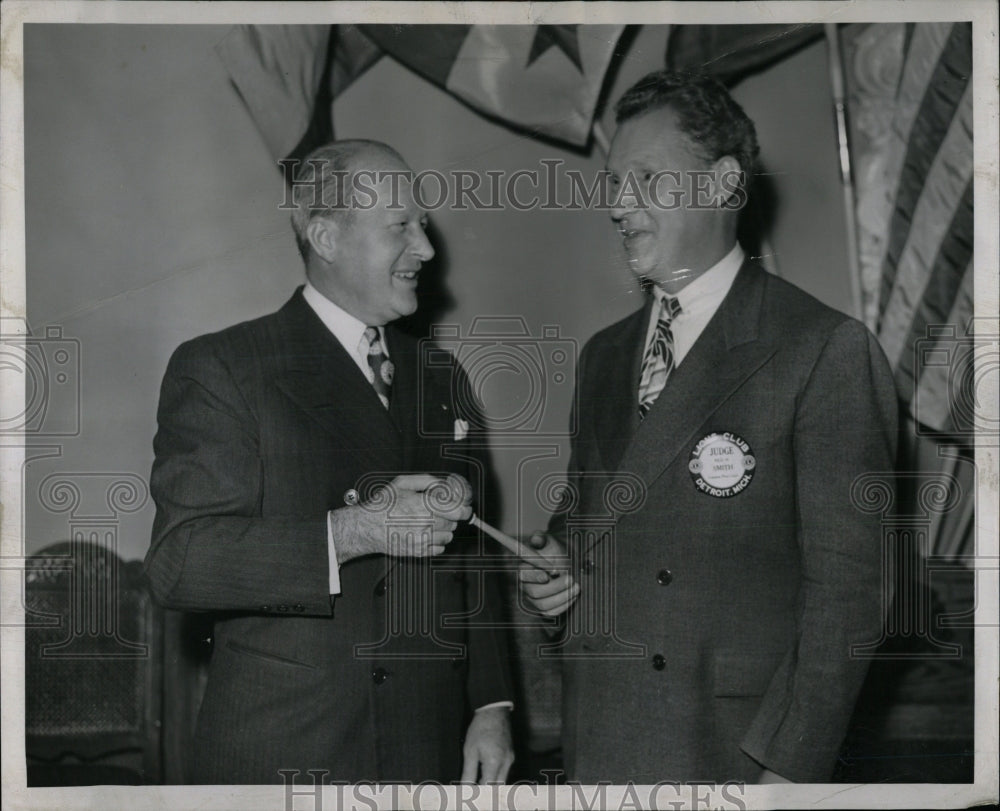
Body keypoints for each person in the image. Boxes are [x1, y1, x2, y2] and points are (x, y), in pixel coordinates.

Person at [520, 71, 898, 784]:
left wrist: (789, 770)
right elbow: (590, 517)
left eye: (645, 179)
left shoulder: (823, 349)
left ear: (723, 184)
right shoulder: (603, 356)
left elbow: (852, 592)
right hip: (600, 741)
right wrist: (556, 571)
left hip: (731, 753)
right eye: (612, 184)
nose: (618, 205)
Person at [146, 140, 514, 785]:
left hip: (428, 746)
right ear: (325, 237)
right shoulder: (226, 368)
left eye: (422, 224)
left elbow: (469, 562)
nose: (426, 248)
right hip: (292, 749)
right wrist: (352, 532)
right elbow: (181, 563)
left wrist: (491, 705)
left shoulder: (442, 376)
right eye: (400, 225)